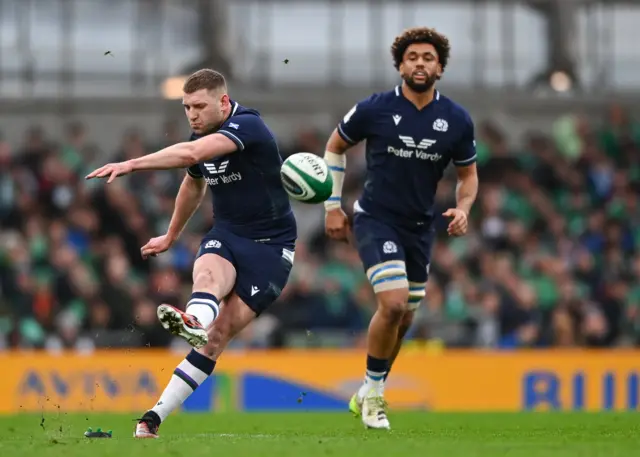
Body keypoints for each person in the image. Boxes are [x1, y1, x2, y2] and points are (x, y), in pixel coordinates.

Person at [86, 69, 297, 438]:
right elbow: (193, 181)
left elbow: (192, 154)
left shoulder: (249, 126)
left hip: (271, 246)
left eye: (199, 106)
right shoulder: (201, 132)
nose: (192, 115)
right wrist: (170, 234)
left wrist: (132, 163)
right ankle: (153, 413)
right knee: (208, 276)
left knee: (221, 336)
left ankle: (194, 336)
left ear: (224, 103)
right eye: (186, 107)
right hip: (229, 233)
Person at [323, 27, 479, 429]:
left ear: (440, 67)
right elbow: (334, 146)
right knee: (391, 305)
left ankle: (367, 389)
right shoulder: (373, 109)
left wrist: (464, 208)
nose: (420, 63)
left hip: (420, 227)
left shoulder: (457, 119)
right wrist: (331, 205)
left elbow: (468, 175)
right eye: (412, 57)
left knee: (405, 319)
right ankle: (375, 397)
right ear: (400, 65)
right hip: (376, 218)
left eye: (428, 57)